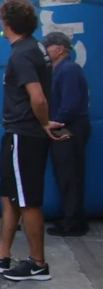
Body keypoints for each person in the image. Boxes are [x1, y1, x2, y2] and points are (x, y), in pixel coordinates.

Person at [0, 0, 64, 281]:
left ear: (7, 24)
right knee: (9, 194)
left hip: (25, 135)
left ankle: (38, 263)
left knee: (27, 200)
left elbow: (38, 97)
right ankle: (1, 255)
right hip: (17, 134)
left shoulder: (22, 54)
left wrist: (43, 123)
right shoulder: (35, 47)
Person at [41, 31, 90, 237]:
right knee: (65, 173)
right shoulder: (60, 70)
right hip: (65, 125)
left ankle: (73, 222)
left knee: (70, 175)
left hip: (69, 127)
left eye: (48, 47)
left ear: (60, 49)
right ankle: (71, 217)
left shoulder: (69, 70)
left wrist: (54, 124)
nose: (45, 51)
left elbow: (70, 105)